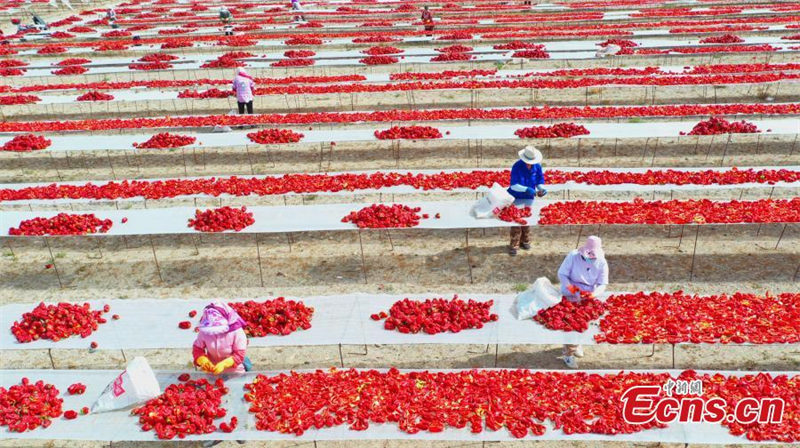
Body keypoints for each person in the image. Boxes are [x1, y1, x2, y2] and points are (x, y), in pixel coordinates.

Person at [557, 236, 609, 369]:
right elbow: (562, 274)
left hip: (588, 294)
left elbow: (603, 283)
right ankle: (568, 354)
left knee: (583, 322)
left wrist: (593, 294)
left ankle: (576, 344)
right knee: (570, 322)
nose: (590, 258)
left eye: (593, 256)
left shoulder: (602, 262)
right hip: (570, 290)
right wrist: (572, 289)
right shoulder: (573, 256)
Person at [507, 145, 547, 256]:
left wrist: (541, 189)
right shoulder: (517, 166)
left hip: (529, 197)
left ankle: (525, 241)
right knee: (516, 221)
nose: (530, 164)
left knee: (527, 219)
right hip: (516, 196)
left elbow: (539, 181)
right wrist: (526, 189)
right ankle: (514, 244)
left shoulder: (537, 166)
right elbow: (514, 185)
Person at [193, 302, 249, 375]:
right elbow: (198, 349)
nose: (214, 332)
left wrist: (224, 364)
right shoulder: (205, 331)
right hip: (212, 370)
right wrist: (202, 360)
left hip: (235, 372)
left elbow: (239, 354)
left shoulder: (236, 332)